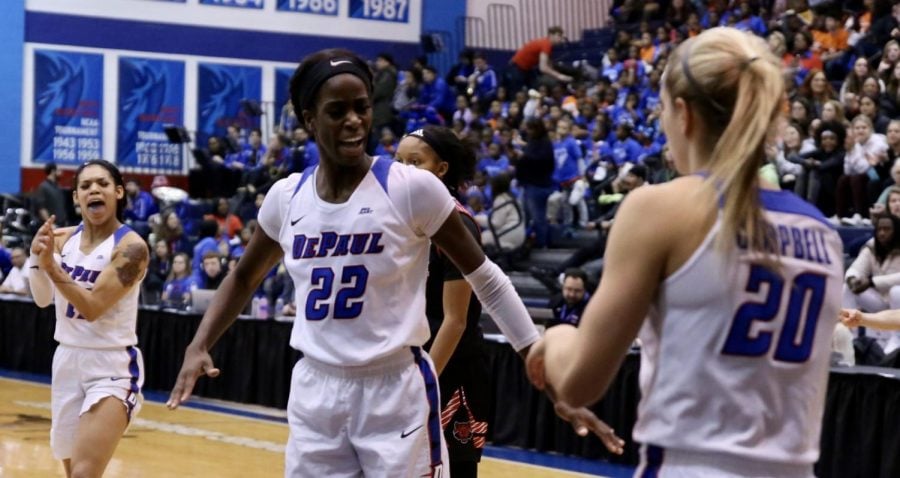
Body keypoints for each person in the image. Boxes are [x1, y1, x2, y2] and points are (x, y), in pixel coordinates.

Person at [166, 48, 614, 477]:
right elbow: (244, 275)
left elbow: (487, 280)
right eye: (337, 111)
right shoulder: (287, 197)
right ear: (308, 119)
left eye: (362, 107)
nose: (355, 121)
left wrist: (540, 363)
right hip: (315, 387)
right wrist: (199, 343)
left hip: (394, 386)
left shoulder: (409, 188)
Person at [526, 28, 844, 477]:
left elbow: (580, 382)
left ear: (683, 113)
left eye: (661, 110)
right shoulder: (822, 230)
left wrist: (554, 339)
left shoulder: (661, 208)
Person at [397, 125, 623, 477]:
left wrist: (421, 385)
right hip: (401, 367)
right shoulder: (391, 218)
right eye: (398, 161)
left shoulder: (455, 223)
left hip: (449, 370)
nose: (404, 170)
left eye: (415, 161)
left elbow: (461, 315)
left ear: (441, 169)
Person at [28, 159, 149, 478]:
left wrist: (52, 268)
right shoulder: (62, 239)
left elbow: (94, 307)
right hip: (67, 358)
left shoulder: (131, 247)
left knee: (84, 474)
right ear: (76, 197)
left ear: (118, 192)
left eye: (103, 183)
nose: (94, 189)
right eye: (85, 185)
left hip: (111, 365)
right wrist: (35, 257)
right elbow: (42, 299)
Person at [508, 26, 573, 93]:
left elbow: (549, 65)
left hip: (526, 69)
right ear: (551, 35)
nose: (561, 38)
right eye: (559, 35)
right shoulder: (546, 44)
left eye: (561, 36)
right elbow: (543, 68)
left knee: (535, 89)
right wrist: (560, 76)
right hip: (516, 69)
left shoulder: (547, 45)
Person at [31, 162, 70, 227]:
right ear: (53, 171)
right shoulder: (43, 187)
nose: (62, 173)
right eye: (59, 170)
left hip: (62, 224)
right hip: (51, 226)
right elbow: (41, 208)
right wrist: (50, 224)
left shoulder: (58, 187)